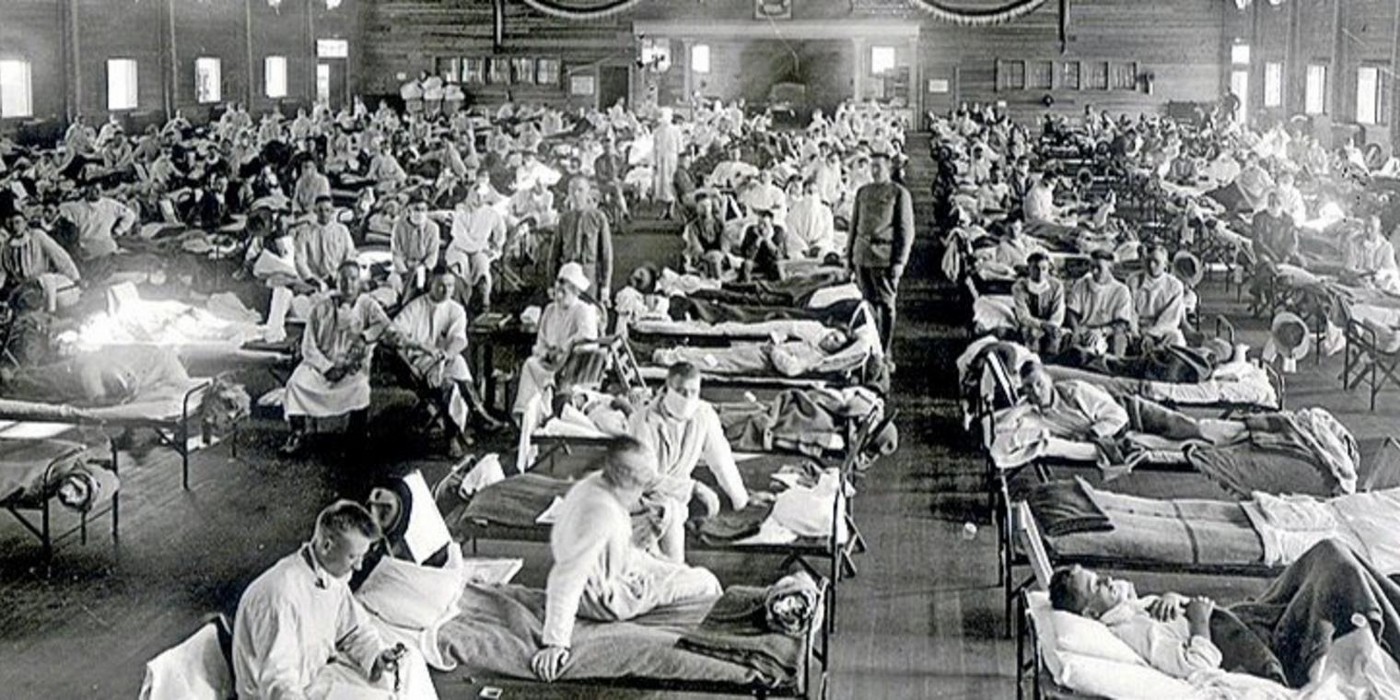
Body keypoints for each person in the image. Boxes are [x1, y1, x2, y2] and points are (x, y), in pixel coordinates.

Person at [1048, 539, 1400, 687]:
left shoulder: (1127, 609)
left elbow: (1141, 601)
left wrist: (1173, 597)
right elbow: (1196, 665)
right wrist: (1199, 618)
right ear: (1091, 614)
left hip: (1248, 619)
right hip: (1266, 646)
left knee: (1330, 551)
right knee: (1338, 569)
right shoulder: (1132, 630)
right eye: (1097, 585)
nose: (1108, 579)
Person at [531, 436, 723, 682]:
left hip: (620, 567)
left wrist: (692, 489)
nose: (644, 490)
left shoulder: (596, 484)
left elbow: (652, 480)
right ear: (626, 480)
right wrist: (555, 643)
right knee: (706, 581)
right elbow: (566, 578)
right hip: (608, 598)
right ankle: (715, 646)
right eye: (640, 484)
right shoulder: (601, 515)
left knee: (678, 567)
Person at [233, 500, 435, 699]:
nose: (358, 566)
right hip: (278, 694)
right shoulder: (280, 595)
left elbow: (354, 630)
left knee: (408, 670)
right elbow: (278, 683)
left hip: (313, 680)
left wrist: (378, 657)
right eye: (353, 557)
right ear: (327, 545)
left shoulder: (332, 578)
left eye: (361, 557)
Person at [628, 362, 767, 562]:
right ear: (667, 388)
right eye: (681, 391)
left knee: (676, 511)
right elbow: (645, 478)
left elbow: (721, 459)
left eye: (694, 392)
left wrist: (741, 500)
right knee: (667, 516)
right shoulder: (642, 420)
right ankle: (674, 567)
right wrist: (694, 488)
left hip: (677, 497)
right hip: (642, 496)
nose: (687, 398)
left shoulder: (703, 414)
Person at [282, 261, 392, 456]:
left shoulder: (367, 305)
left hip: (351, 366)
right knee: (295, 384)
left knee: (360, 388)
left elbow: (384, 324)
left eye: (353, 279)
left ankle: (356, 436)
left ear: (360, 282)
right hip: (320, 365)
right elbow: (308, 347)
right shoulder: (320, 307)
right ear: (337, 282)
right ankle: (297, 433)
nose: (348, 285)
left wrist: (364, 337)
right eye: (344, 280)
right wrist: (327, 368)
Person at [391, 267, 503, 456]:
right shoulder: (415, 307)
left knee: (458, 361)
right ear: (430, 284)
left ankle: (478, 413)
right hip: (419, 361)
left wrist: (441, 360)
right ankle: (452, 436)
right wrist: (420, 348)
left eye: (450, 285)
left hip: (443, 359)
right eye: (441, 285)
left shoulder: (456, 310)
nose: (446, 290)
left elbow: (458, 340)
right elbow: (393, 333)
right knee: (449, 385)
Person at [848, 151, 915, 360]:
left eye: (878, 167)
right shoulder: (863, 192)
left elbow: (906, 231)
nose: (874, 171)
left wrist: (900, 262)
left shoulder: (899, 193)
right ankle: (871, 347)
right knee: (867, 304)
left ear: (889, 168)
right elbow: (853, 227)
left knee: (886, 305)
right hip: (862, 256)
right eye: (872, 166)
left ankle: (885, 351)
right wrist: (849, 257)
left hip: (884, 258)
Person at [512, 263, 601, 419]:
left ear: (575, 290)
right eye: (557, 291)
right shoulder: (550, 310)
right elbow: (541, 340)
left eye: (563, 292)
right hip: (549, 363)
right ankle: (527, 416)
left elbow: (589, 338)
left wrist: (566, 347)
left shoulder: (582, 310)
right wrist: (546, 353)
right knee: (530, 364)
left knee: (536, 370)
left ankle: (542, 415)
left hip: (571, 369)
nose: (559, 296)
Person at [0, 212, 81, 312]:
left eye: (18, 222)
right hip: (22, 287)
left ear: (25, 223)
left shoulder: (37, 236)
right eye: (11, 224)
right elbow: (2, 270)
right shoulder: (6, 247)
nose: (15, 227)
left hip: (43, 283)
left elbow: (58, 255)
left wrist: (75, 277)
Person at [550, 177, 614, 306]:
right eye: (572, 190)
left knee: (588, 311)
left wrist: (605, 285)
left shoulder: (598, 218)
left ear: (588, 193)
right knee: (566, 311)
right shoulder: (564, 219)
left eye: (580, 190)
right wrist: (551, 283)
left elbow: (606, 255)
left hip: (589, 274)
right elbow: (554, 255)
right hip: (567, 273)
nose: (576, 194)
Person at [444, 189, 506, 311]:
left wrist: (496, 246)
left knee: (482, 265)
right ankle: (459, 303)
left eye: (482, 196)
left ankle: (484, 302)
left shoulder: (490, 213)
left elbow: (500, 230)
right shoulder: (461, 212)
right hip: (459, 248)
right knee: (459, 265)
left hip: (480, 250)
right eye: (476, 196)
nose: (479, 200)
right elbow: (460, 237)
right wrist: (478, 246)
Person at [1067, 249, 1135, 355]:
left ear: (1110, 267)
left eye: (1099, 268)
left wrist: (1101, 331)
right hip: (1085, 330)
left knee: (1118, 341)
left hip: (1109, 333)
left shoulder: (1121, 290)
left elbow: (1122, 323)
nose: (1094, 271)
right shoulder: (1081, 284)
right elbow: (1071, 311)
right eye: (1092, 267)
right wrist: (1076, 330)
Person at [58, 185, 138, 264]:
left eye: (98, 188)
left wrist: (118, 231)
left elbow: (130, 215)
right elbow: (59, 209)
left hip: (107, 249)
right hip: (87, 250)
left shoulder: (110, 204)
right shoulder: (75, 207)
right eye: (92, 187)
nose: (95, 191)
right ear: (86, 188)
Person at [1129, 245, 1187, 349]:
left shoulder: (1175, 286)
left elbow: (1170, 318)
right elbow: (1131, 311)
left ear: (1165, 265)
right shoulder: (1134, 280)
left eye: (1156, 262)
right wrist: (1135, 333)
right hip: (1139, 329)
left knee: (1177, 340)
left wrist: (1151, 335)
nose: (1151, 265)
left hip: (1163, 330)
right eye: (1149, 261)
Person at [294, 196, 358, 292]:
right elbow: (299, 259)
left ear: (332, 211)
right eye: (320, 210)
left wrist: (338, 275)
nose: (324, 214)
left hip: (339, 278)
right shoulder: (305, 232)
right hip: (315, 280)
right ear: (315, 211)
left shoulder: (342, 230)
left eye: (327, 210)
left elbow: (350, 254)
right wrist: (310, 278)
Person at [389, 196, 442, 302]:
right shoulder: (399, 227)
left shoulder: (433, 228)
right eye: (417, 209)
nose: (420, 213)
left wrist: (423, 269)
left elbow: (433, 254)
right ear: (409, 211)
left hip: (424, 269)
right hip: (403, 268)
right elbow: (396, 253)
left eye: (423, 210)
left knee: (426, 289)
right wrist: (405, 272)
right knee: (394, 283)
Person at [1011, 252, 1065, 355]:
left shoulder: (1057, 286)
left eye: (1044, 269)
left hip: (1051, 325)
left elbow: (1058, 314)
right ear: (1028, 269)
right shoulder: (1019, 287)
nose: (1040, 273)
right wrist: (1041, 325)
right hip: (1029, 325)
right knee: (1031, 339)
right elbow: (1023, 316)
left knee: (1054, 341)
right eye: (1035, 268)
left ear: (1048, 269)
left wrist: (1051, 327)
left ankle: (1051, 360)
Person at [785, 177, 837, 258]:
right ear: (804, 193)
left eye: (815, 192)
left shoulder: (825, 211)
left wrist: (817, 246)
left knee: (824, 254)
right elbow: (791, 232)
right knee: (797, 257)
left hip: (820, 246)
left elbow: (828, 235)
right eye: (809, 192)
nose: (812, 195)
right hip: (799, 247)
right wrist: (803, 247)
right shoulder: (795, 210)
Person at [652, 109, 682, 212]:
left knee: (671, 182)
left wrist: (679, 162)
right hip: (661, 159)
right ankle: (664, 209)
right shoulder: (657, 131)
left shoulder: (676, 130)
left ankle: (671, 207)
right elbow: (655, 148)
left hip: (672, 159)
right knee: (662, 184)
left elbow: (680, 147)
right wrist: (654, 162)